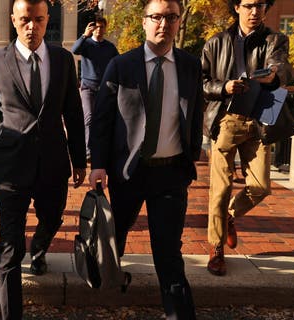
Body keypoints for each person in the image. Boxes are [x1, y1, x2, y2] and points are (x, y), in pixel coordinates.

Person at [88, 0, 203, 318]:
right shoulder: (121, 65)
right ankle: (107, 282)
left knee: (168, 254)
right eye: (156, 16)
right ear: (144, 22)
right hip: (128, 172)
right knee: (115, 240)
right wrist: (97, 164)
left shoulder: (190, 66)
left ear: (179, 21)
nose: (163, 23)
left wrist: (190, 159)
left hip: (171, 174)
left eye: (171, 17)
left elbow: (195, 115)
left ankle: (178, 313)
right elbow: (101, 120)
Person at [0, 0, 86, 318]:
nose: (32, 27)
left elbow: (73, 112)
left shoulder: (64, 59)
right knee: (10, 246)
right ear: (13, 20)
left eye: (39, 20)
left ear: (47, 20)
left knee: (52, 219)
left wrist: (79, 159)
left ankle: (39, 248)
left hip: (53, 163)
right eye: (25, 19)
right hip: (9, 167)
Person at [202, 0, 291, 276]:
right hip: (225, 121)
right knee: (220, 188)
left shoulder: (275, 39)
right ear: (237, 7)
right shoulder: (215, 43)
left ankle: (228, 216)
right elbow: (200, 81)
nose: (255, 12)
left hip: (258, 122)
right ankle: (216, 249)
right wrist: (223, 86)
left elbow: (283, 68)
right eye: (249, 5)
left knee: (261, 186)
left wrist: (273, 75)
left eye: (261, 5)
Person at [71, 16, 118, 159]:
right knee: (89, 118)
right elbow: (74, 49)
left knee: (104, 119)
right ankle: (88, 151)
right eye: (96, 27)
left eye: (101, 27)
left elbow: (117, 63)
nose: (98, 30)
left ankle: (103, 148)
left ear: (105, 28)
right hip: (88, 87)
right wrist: (84, 35)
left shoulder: (110, 47)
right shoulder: (86, 44)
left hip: (104, 88)